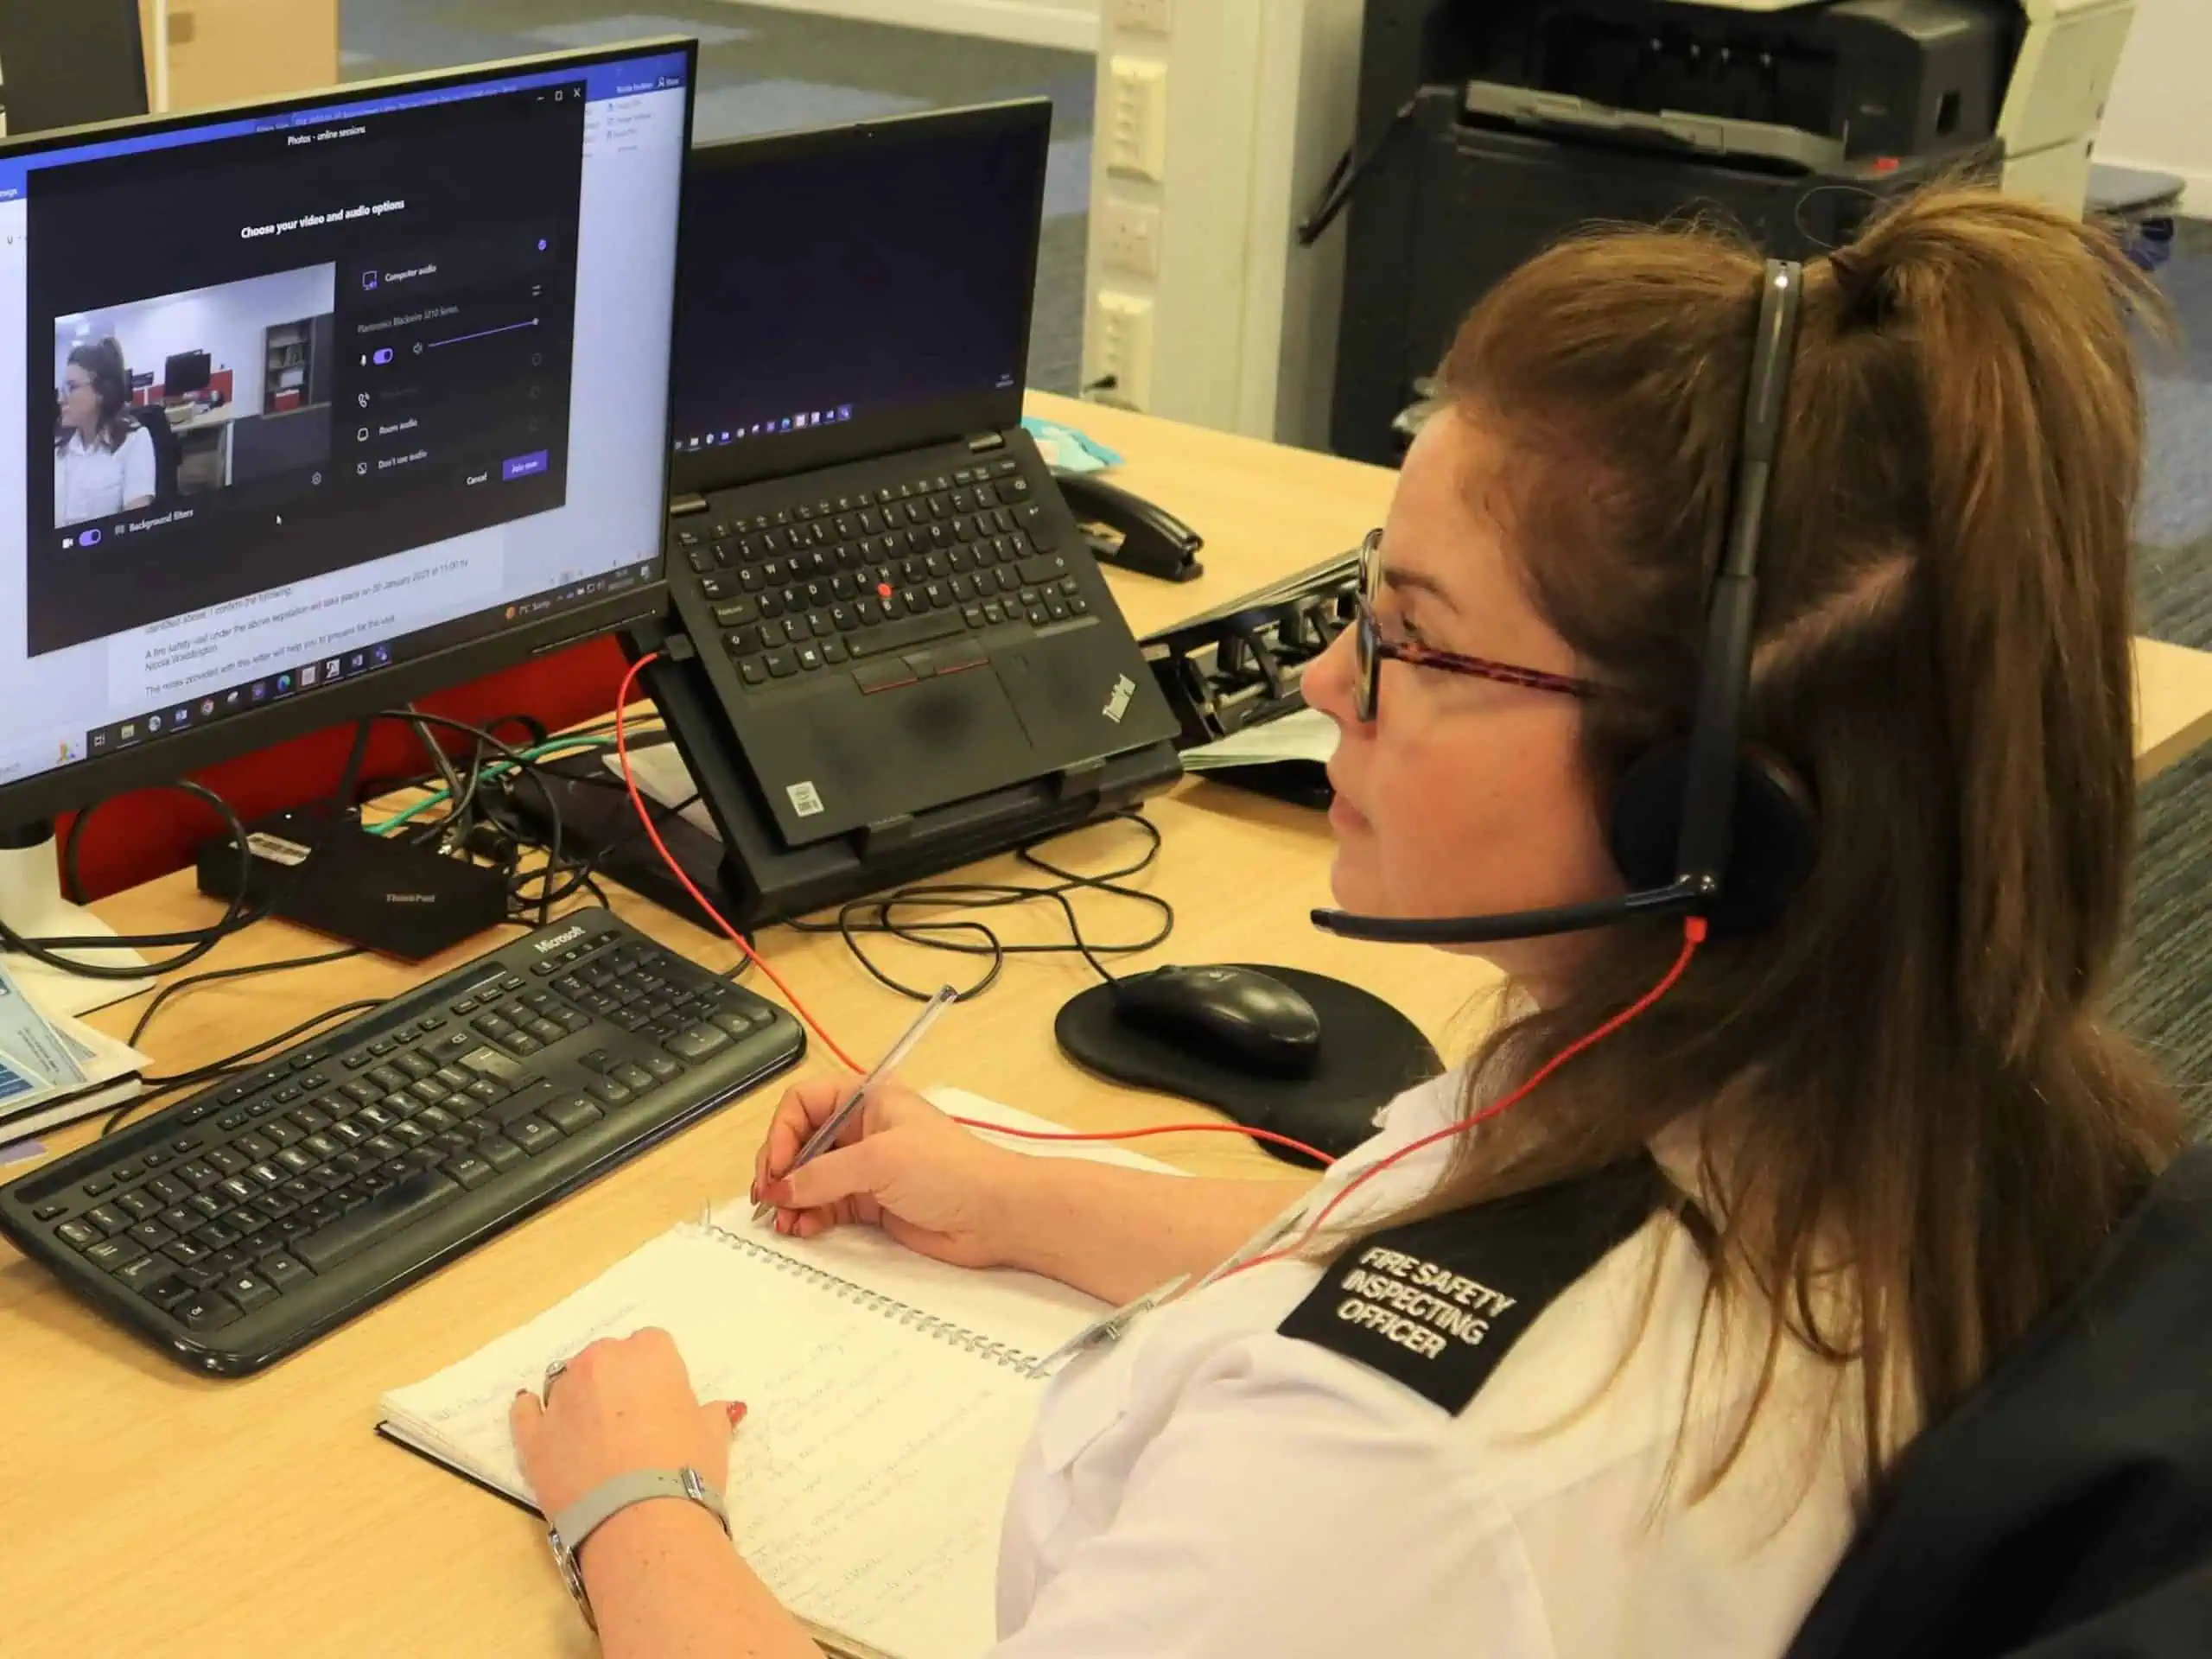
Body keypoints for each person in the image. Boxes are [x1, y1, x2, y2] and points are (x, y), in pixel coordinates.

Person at [507, 185, 2184, 1657]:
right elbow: (1454, 1256)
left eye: (1411, 640)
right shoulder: (1918, 1084)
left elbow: (1448, 1389)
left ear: (1696, 803)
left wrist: (638, 1506)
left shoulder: (1405, 1479)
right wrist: (1024, 1195)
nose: (1321, 687)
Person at [54, 336, 156, 528]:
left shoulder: (133, 441)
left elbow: (135, 526)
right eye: (63, 388)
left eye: (72, 387)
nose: (62, 398)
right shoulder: (59, 445)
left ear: (101, 392)